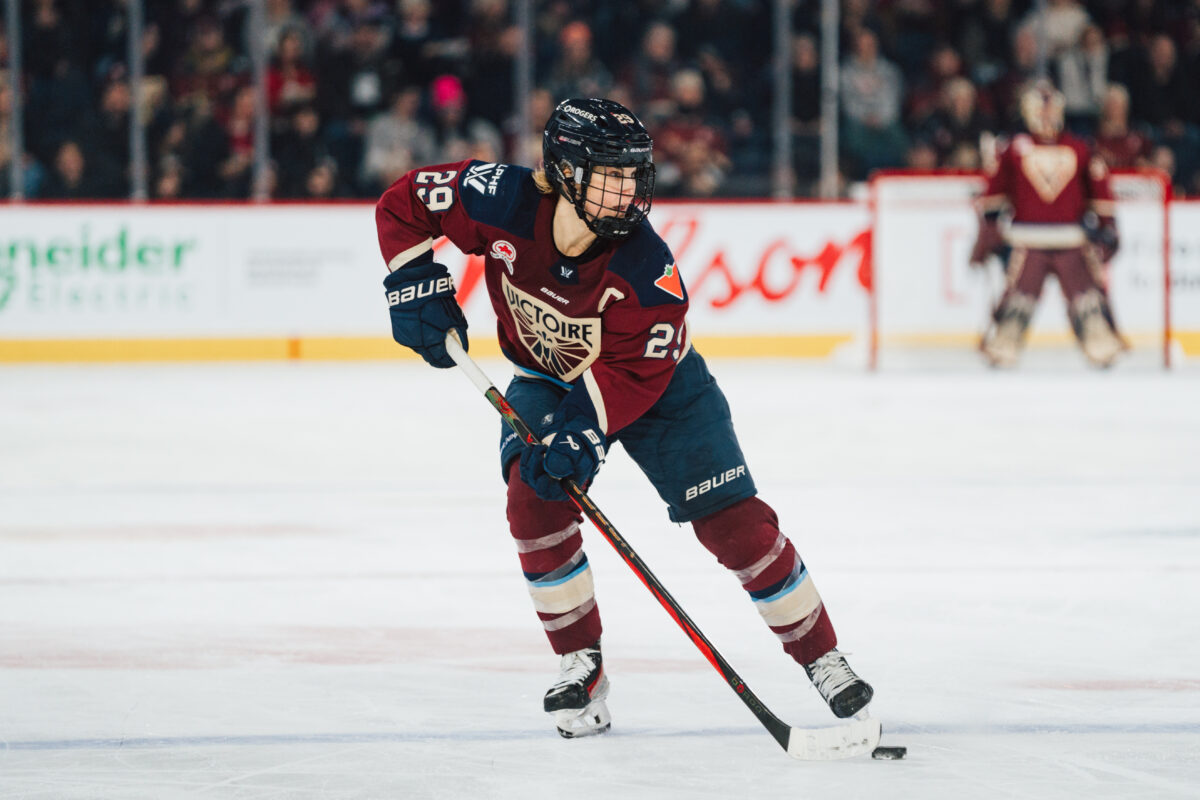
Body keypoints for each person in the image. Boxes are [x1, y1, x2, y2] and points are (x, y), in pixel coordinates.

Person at [375, 98, 873, 739]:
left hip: (662, 389)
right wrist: (411, 278)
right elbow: (405, 200)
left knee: (734, 527)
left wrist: (583, 431)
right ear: (562, 170)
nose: (628, 191)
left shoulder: (646, 268)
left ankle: (822, 656)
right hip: (545, 377)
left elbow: (634, 373)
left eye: (635, 174)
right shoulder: (495, 199)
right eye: (609, 174)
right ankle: (579, 663)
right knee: (533, 496)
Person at [969, 82, 1123, 368]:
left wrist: (1107, 226)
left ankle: (1099, 343)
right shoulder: (1014, 148)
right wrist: (988, 235)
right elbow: (993, 197)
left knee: (1086, 299)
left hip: (1070, 238)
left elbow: (1098, 192)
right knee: (1019, 299)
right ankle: (1004, 344)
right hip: (1030, 239)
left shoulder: (1078, 148)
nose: (1046, 116)